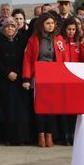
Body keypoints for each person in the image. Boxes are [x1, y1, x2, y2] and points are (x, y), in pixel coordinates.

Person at [22, 13, 68, 148]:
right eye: (48, 23)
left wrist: (64, 76)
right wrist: (26, 78)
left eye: (52, 23)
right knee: (40, 108)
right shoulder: (34, 39)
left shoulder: (59, 39)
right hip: (38, 76)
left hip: (54, 76)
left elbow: (64, 58)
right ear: (42, 24)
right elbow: (28, 60)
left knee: (52, 108)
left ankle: (50, 135)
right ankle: (41, 135)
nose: (50, 26)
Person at [0, 16, 32, 146]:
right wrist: (7, 73)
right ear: (3, 28)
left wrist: (18, 73)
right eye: (7, 26)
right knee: (7, 109)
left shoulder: (22, 40)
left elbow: (25, 59)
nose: (10, 28)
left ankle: (21, 138)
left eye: (12, 26)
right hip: (4, 80)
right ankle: (9, 138)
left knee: (20, 110)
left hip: (19, 79)